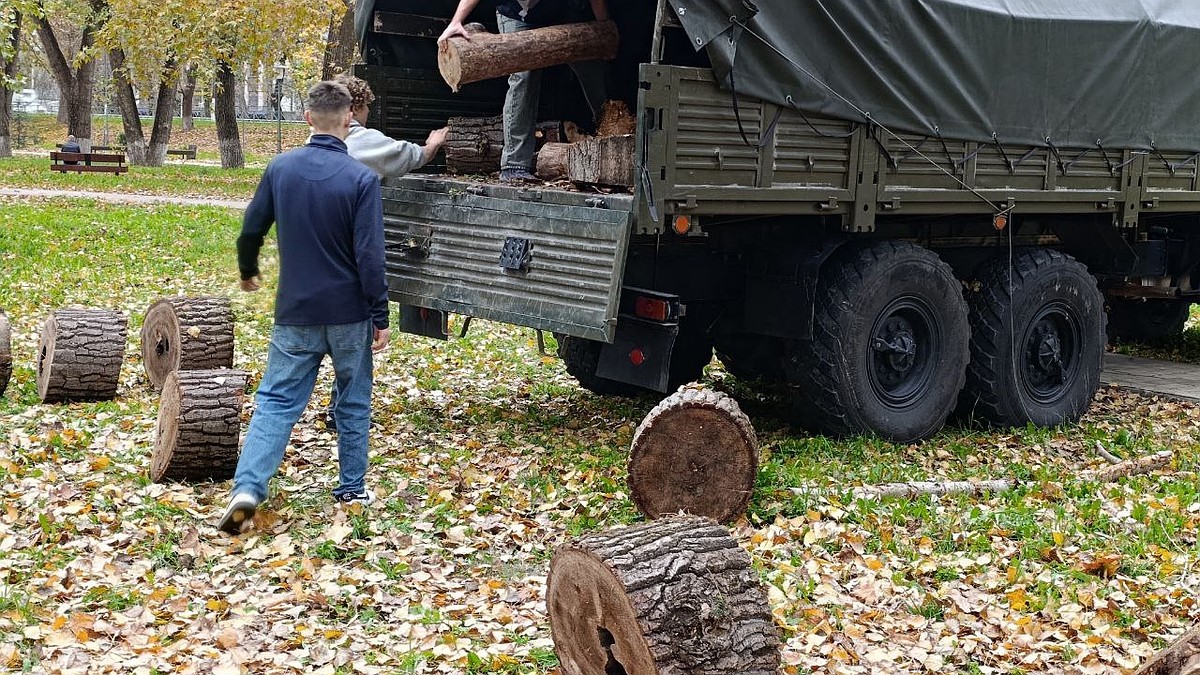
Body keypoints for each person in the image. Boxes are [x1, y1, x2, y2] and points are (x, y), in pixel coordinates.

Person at [218, 80, 390, 535]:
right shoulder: (362, 179)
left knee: (275, 401)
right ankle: (352, 488)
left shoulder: (281, 169)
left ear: (307, 117)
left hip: (295, 311)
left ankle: (248, 488)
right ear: (350, 120)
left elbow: (251, 228)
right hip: (350, 313)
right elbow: (370, 256)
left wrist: (247, 269)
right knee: (353, 401)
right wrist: (380, 313)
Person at [438, 0, 610, 183]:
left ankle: (612, 145)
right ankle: (514, 165)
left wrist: (604, 30)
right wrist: (456, 22)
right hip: (515, 14)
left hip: (562, 11)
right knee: (524, 76)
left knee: (591, 67)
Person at [334, 73, 449, 177]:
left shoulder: (321, 138)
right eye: (366, 105)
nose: (368, 110)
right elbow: (410, 156)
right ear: (354, 109)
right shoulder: (362, 140)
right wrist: (432, 145)